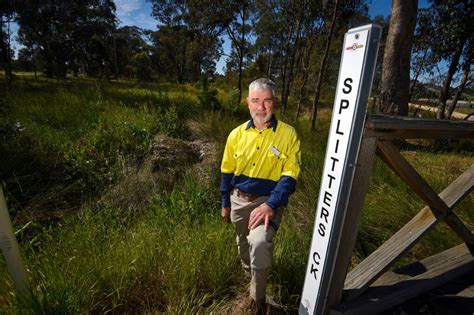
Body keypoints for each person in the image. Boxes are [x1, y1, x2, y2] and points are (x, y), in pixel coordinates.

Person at [220, 78, 301, 313]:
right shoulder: (236, 135)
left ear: (274, 103)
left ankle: (257, 301)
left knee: (259, 242)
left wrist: (272, 204)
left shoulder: (288, 135)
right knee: (243, 242)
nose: (261, 107)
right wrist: (225, 203)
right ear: (248, 103)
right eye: (255, 101)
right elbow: (226, 172)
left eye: (266, 101)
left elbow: (290, 175)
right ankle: (252, 274)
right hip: (238, 199)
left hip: (268, 201)